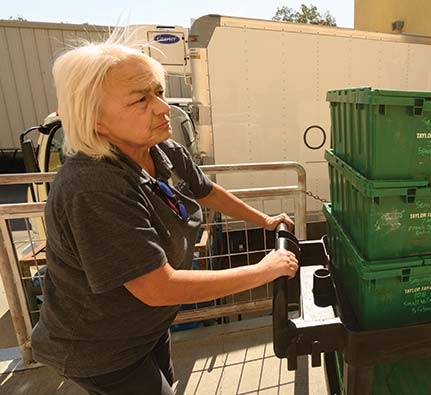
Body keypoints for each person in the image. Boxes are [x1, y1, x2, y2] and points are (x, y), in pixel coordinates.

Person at [30, 30, 299, 395]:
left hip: (146, 327)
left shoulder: (162, 149)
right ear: (94, 118)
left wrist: (264, 221)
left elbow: (205, 190)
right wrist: (262, 271)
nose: (162, 107)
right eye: (140, 99)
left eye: (158, 91)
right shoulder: (93, 186)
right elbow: (157, 287)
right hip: (100, 348)